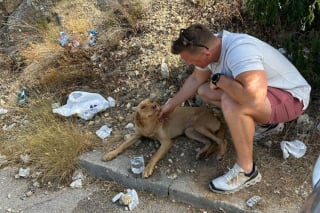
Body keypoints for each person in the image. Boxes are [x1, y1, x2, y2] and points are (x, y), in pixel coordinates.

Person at [158, 23, 311, 194]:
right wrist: (171, 104)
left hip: (292, 98)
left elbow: (253, 99)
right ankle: (266, 124)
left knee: (232, 103)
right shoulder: (209, 44)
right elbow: (195, 80)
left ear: (205, 54)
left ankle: (247, 171)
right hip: (267, 92)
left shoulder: (240, 52)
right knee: (204, 91)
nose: (191, 64)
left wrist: (220, 80)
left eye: (191, 61)